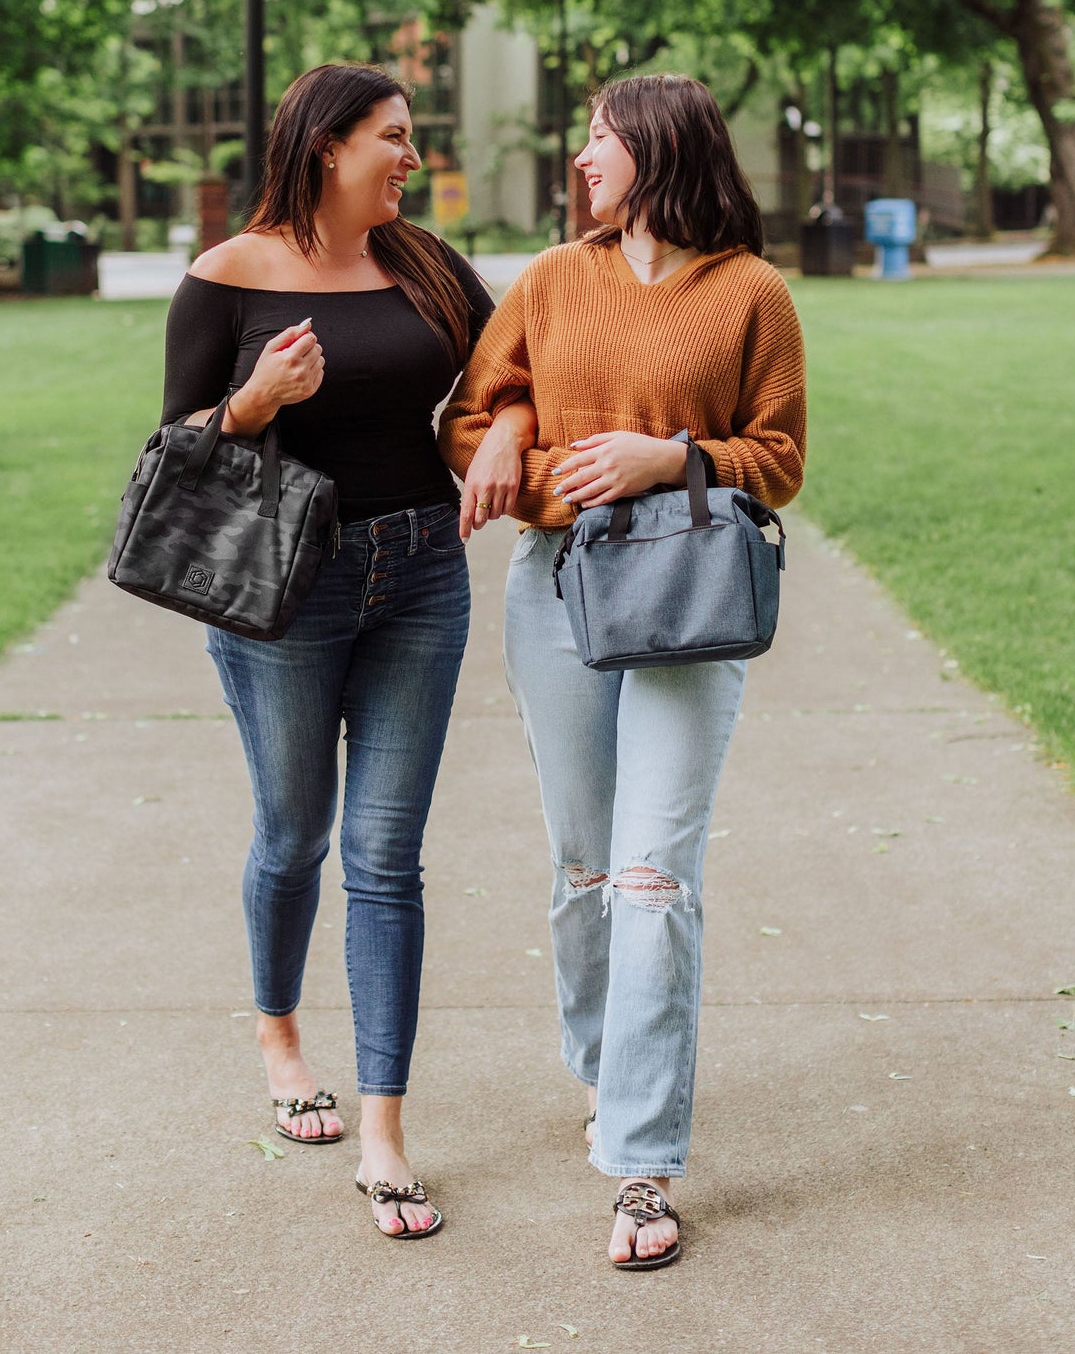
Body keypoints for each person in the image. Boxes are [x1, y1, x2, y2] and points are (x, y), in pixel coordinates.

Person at [443, 73, 807, 1270]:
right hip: (557, 595)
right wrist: (507, 433)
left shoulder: (751, 293)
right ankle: (611, 1073)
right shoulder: (551, 280)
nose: (584, 157)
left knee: (653, 878)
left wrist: (670, 458)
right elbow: (472, 417)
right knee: (583, 866)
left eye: (601, 139)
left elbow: (778, 459)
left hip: (690, 604)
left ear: (656, 150)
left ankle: (642, 1164)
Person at [161, 63, 529, 1239]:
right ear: (327, 144)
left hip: (421, 571)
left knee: (384, 856)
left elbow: (509, 375)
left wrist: (505, 430)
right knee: (293, 832)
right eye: (392, 136)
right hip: (285, 588)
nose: (410, 157)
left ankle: (383, 1132)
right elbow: (170, 450)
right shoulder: (227, 278)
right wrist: (252, 404)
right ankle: (279, 1043)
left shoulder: (421, 263)